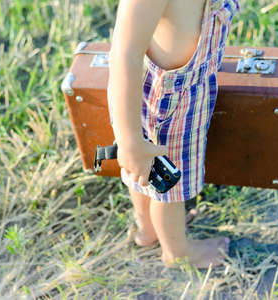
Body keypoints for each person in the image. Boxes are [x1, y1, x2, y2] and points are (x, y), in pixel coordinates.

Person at [106, 0, 240, 268]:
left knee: (150, 171)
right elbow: (124, 54)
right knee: (168, 183)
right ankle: (177, 252)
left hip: (188, 87)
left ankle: (149, 229)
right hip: (172, 101)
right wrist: (129, 141)